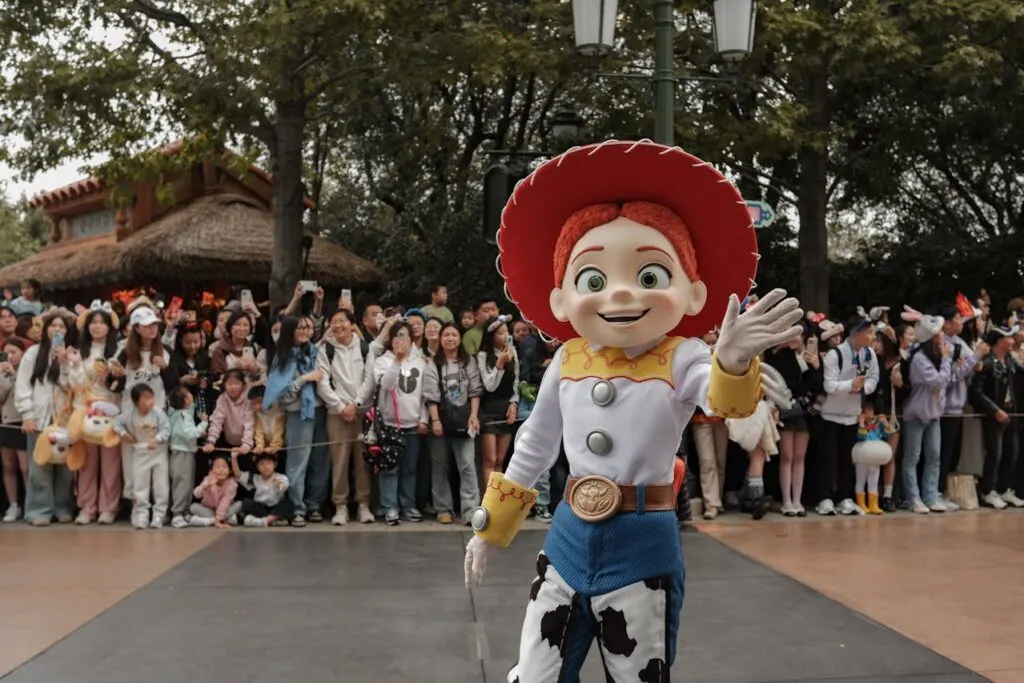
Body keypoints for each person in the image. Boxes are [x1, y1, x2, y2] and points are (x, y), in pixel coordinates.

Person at [461, 140, 802, 681]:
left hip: (643, 541)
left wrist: (733, 363)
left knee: (639, 674)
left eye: (648, 277)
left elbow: (722, 403)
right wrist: (490, 526)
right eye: (593, 280)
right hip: (569, 537)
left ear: (692, 293)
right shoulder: (568, 359)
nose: (619, 294)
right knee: (535, 673)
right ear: (561, 301)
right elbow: (535, 443)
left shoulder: (684, 356)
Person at [114, 383, 171, 529]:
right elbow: (116, 423)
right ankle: (142, 514)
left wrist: (157, 439)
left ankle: (159, 515)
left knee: (161, 486)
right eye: (146, 399)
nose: (150, 401)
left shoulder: (158, 412)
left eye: (151, 398)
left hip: (158, 453)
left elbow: (166, 429)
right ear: (135, 401)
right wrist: (124, 434)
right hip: (140, 452)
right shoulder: (130, 413)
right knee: (140, 485)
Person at [167, 385, 208, 528]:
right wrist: (203, 423)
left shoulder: (181, 413)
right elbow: (191, 433)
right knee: (182, 484)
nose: (192, 395)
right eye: (189, 394)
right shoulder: (183, 416)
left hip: (186, 453)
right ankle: (177, 514)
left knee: (188, 483)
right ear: (186, 400)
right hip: (181, 454)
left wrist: (201, 390)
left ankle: (185, 511)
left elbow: (192, 408)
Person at [234, 451, 293, 527]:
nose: (266, 466)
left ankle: (265, 521)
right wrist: (234, 458)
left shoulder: (280, 477)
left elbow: (284, 486)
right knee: (246, 503)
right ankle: (273, 520)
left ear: (274, 465)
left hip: (275, 507)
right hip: (261, 508)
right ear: (258, 467)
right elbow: (239, 475)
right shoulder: (255, 478)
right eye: (262, 464)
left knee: (288, 503)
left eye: (269, 463)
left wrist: (279, 484)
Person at [189, 454, 240, 528]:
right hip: (208, 509)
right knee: (193, 507)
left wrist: (218, 519)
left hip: (225, 510)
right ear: (211, 470)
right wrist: (207, 485)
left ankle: (211, 520)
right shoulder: (208, 479)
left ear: (230, 470)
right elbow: (196, 494)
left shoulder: (232, 484)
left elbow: (225, 503)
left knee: (239, 504)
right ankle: (224, 520)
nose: (221, 469)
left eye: (224, 467)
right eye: (217, 467)